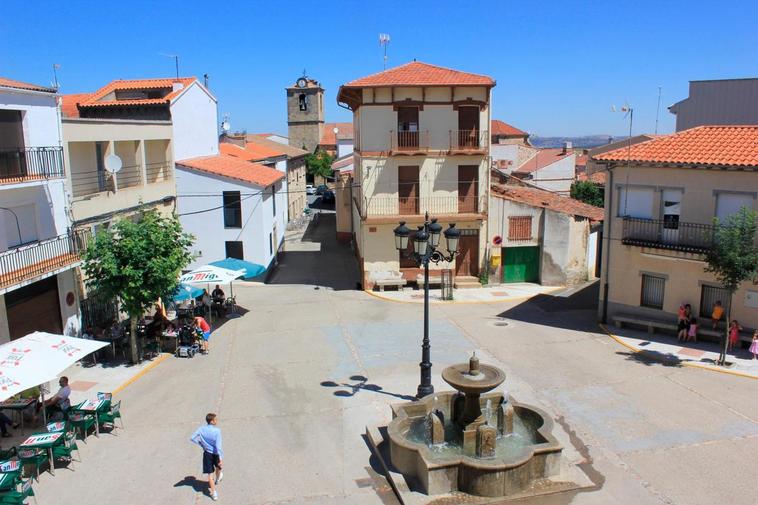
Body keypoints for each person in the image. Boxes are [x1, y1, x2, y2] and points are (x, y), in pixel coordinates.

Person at [190, 413, 224, 501]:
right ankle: (218, 478)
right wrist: (220, 458)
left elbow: (192, 438)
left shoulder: (201, 429)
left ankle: (213, 493)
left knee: (210, 474)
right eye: (215, 419)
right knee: (218, 467)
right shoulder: (217, 431)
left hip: (207, 454)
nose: (216, 421)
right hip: (216, 453)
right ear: (212, 421)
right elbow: (218, 446)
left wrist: (201, 444)